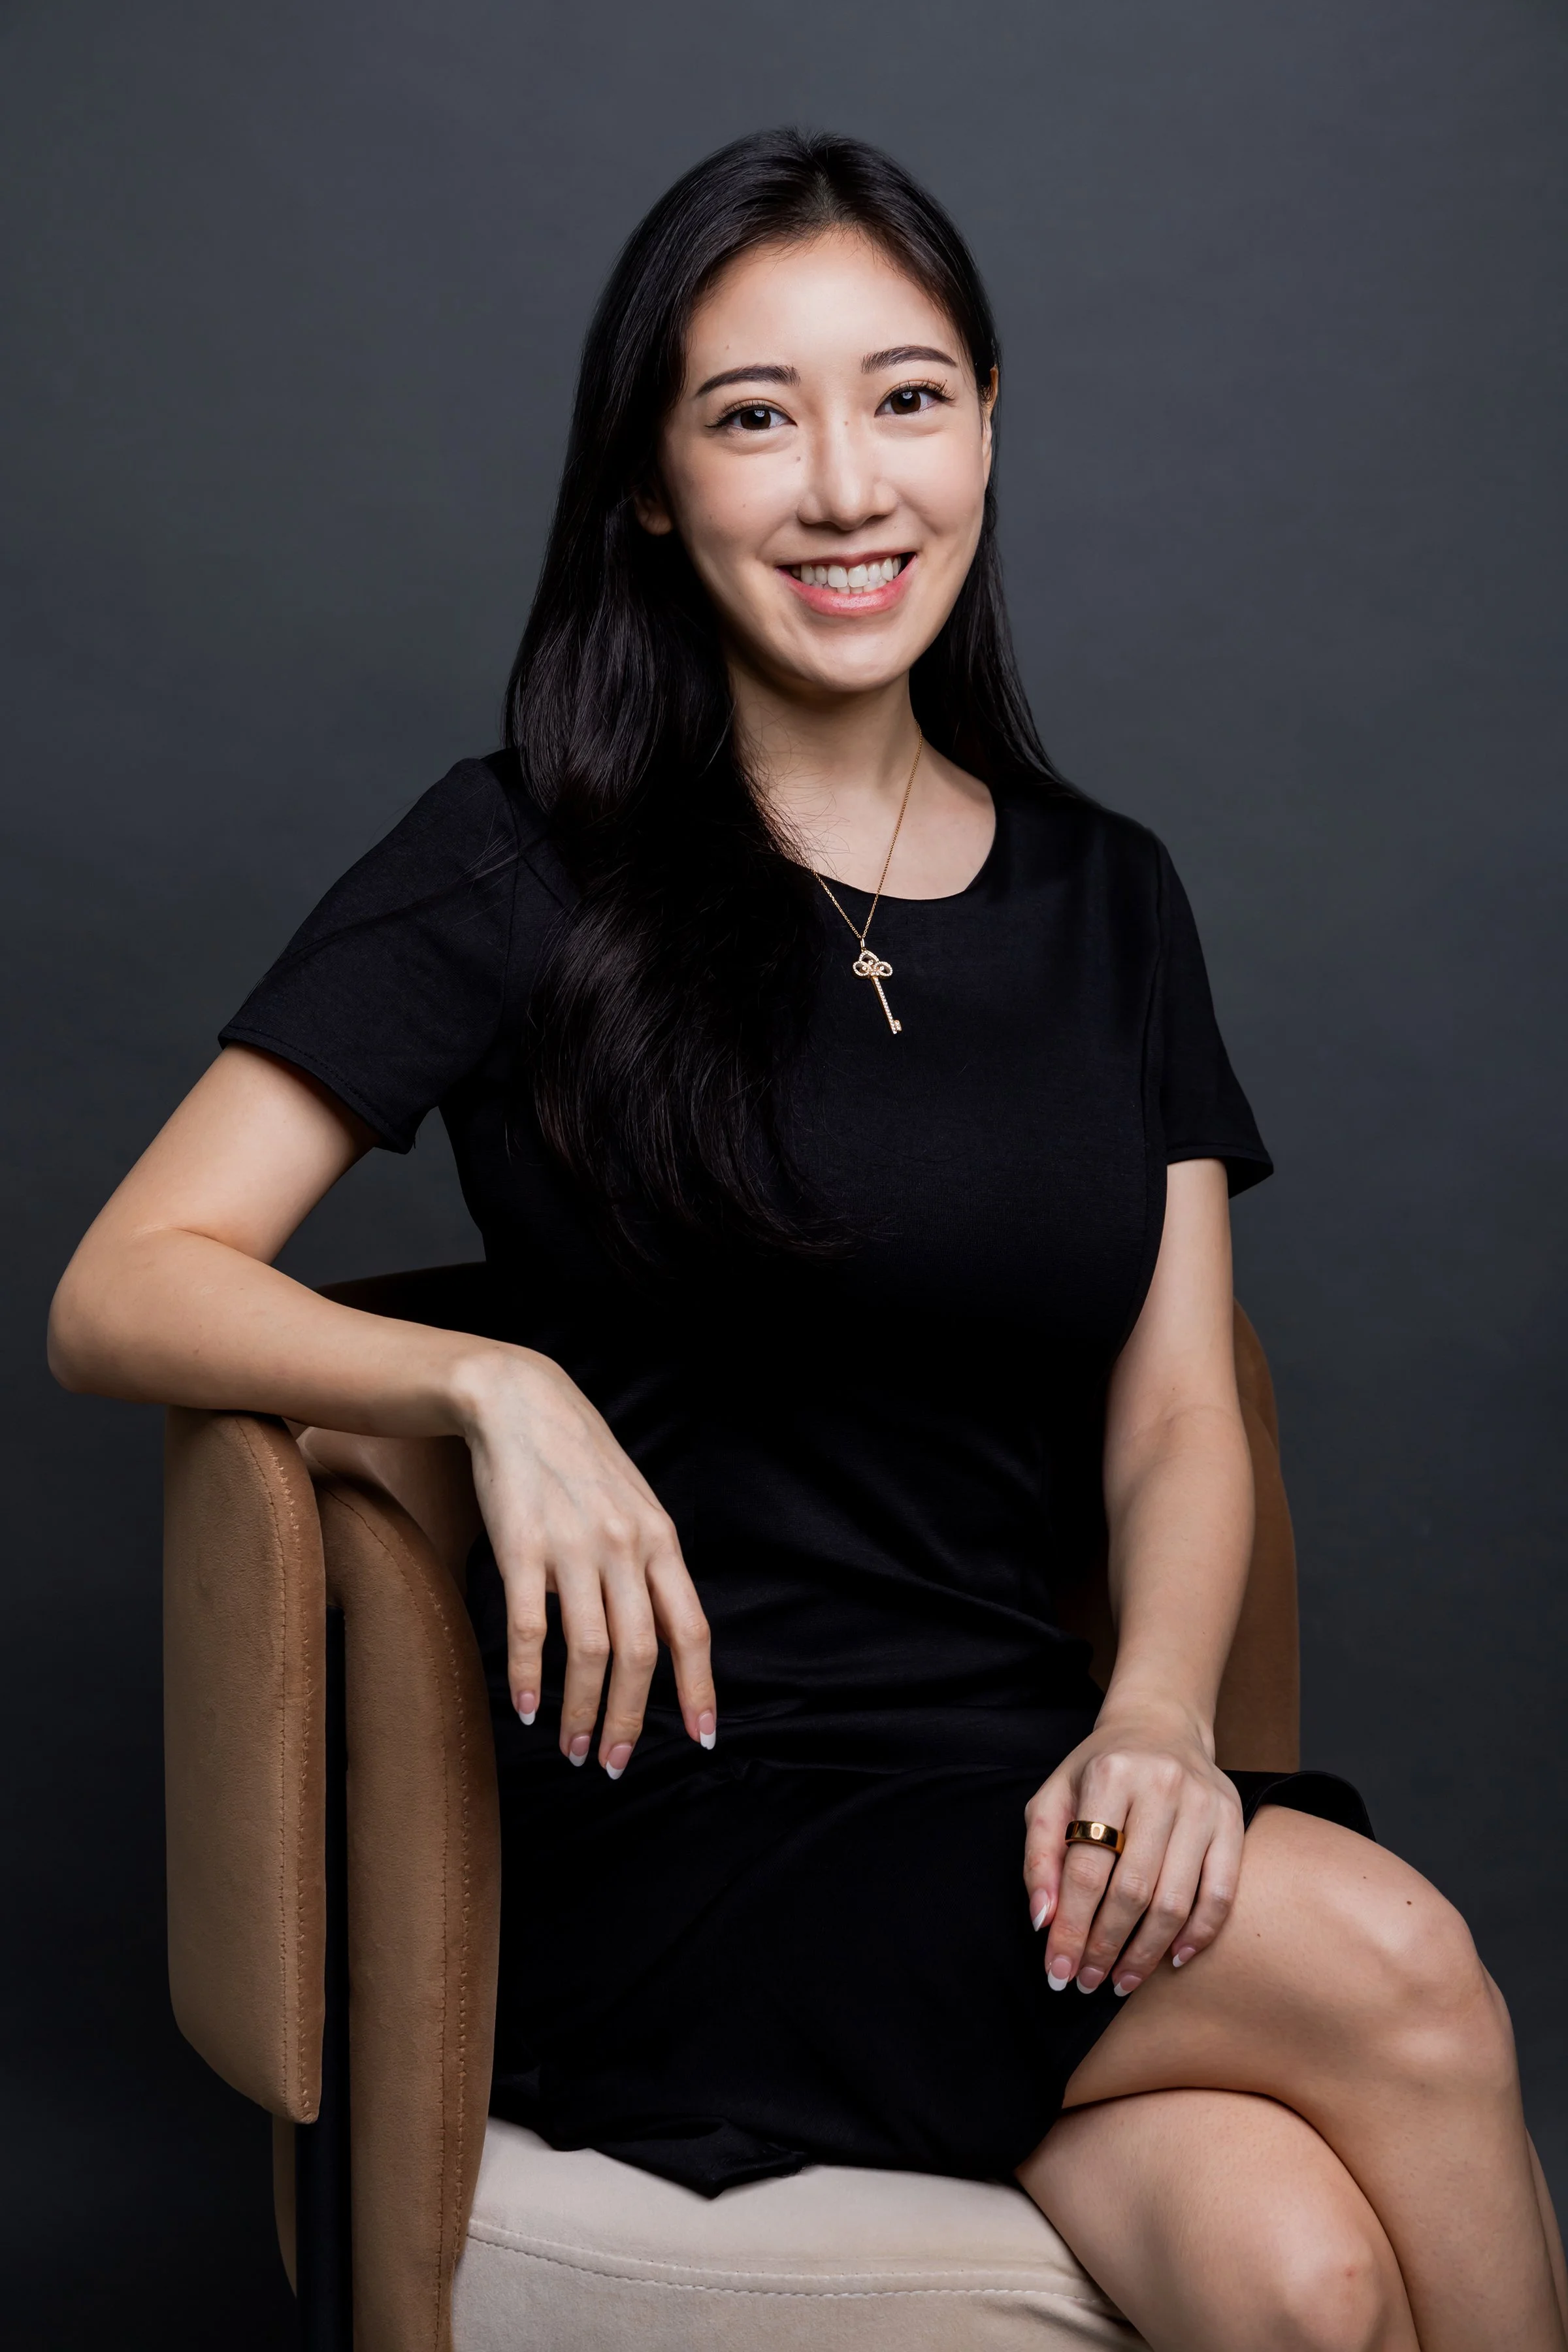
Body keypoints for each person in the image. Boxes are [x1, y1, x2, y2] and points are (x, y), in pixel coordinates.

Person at [50, 129, 1565, 2351]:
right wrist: (489, 1380)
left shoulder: (1107, 899)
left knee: (1305, 2277)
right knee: (1405, 1963)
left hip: (1027, 1782)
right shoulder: (519, 862)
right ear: (652, 487)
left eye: (910, 396)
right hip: (689, 1845)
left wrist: (1155, 1716)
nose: (850, 486)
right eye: (757, 415)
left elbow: (1174, 1415)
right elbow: (122, 1284)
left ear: (985, 432)